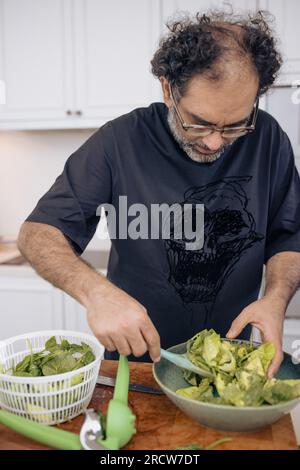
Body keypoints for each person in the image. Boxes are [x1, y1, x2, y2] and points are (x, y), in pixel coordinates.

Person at [18, 11, 300, 378]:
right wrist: (96, 293)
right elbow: (37, 233)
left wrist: (276, 300)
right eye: (198, 122)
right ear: (168, 89)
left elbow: (289, 235)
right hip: (135, 367)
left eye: (234, 126)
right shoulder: (119, 142)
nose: (214, 142)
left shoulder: (268, 138)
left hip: (231, 365)